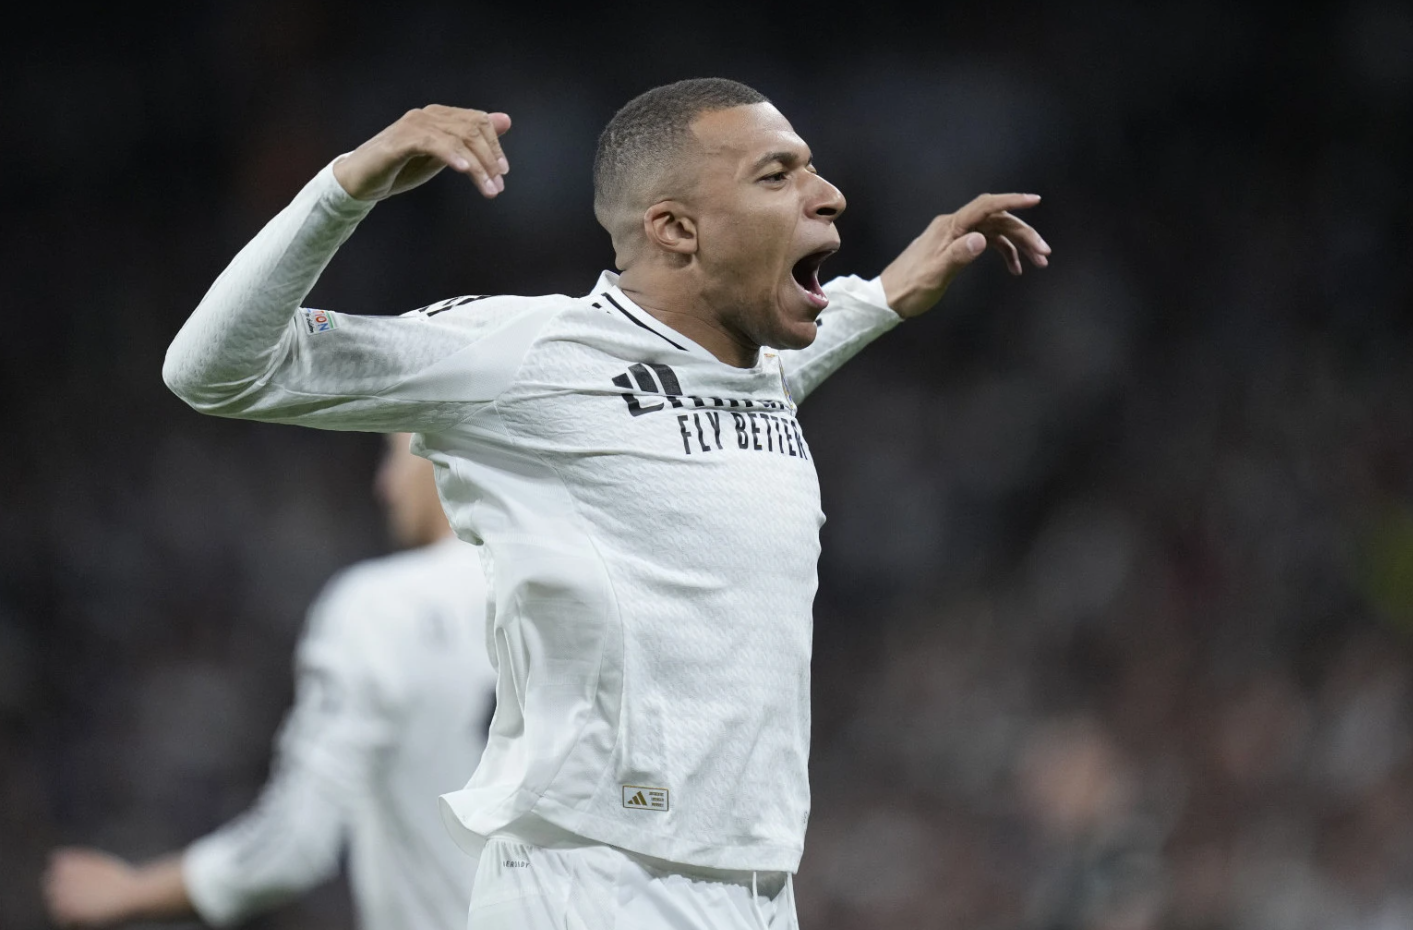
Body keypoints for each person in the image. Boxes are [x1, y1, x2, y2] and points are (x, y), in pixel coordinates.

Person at [158, 77, 1050, 928]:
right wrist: (345, 188)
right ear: (675, 228)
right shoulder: (526, 352)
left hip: (755, 886)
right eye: (777, 174)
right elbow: (212, 371)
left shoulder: (752, 373)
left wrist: (887, 295)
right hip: (592, 883)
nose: (829, 195)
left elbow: (753, 374)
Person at [42, 434, 497, 930]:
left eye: (392, 454)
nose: (384, 485)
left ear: (441, 447)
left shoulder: (380, 608)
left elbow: (296, 842)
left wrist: (134, 890)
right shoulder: (559, 604)